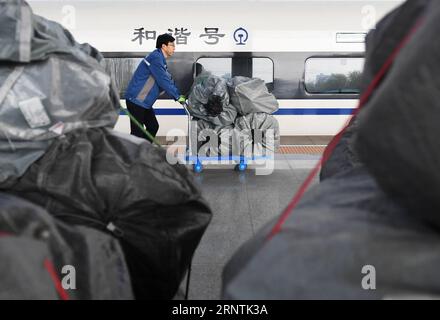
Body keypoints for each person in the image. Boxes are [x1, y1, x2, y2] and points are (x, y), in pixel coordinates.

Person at [125, 33, 186, 142]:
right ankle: (132, 156)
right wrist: (177, 96)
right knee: (137, 132)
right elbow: (163, 80)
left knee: (153, 126)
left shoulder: (160, 59)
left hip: (143, 102)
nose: (174, 48)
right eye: (172, 45)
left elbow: (168, 79)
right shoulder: (155, 58)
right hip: (136, 100)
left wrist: (178, 95)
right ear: (164, 46)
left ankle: (143, 151)